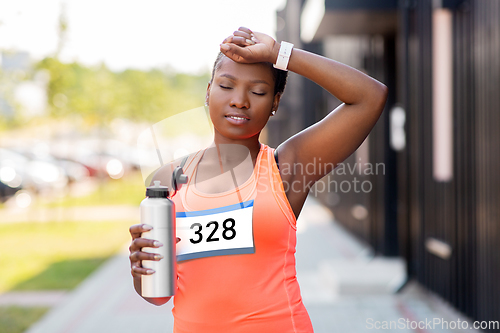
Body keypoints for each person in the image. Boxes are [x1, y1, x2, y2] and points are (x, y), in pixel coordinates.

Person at [129, 27, 387, 332]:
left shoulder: (288, 166)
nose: (239, 100)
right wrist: (140, 270)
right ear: (209, 90)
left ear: (276, 102)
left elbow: (369, 97)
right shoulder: (168, 178)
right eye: (226, 86)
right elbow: (158, 296)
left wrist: (280, 54)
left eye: (258, 91)